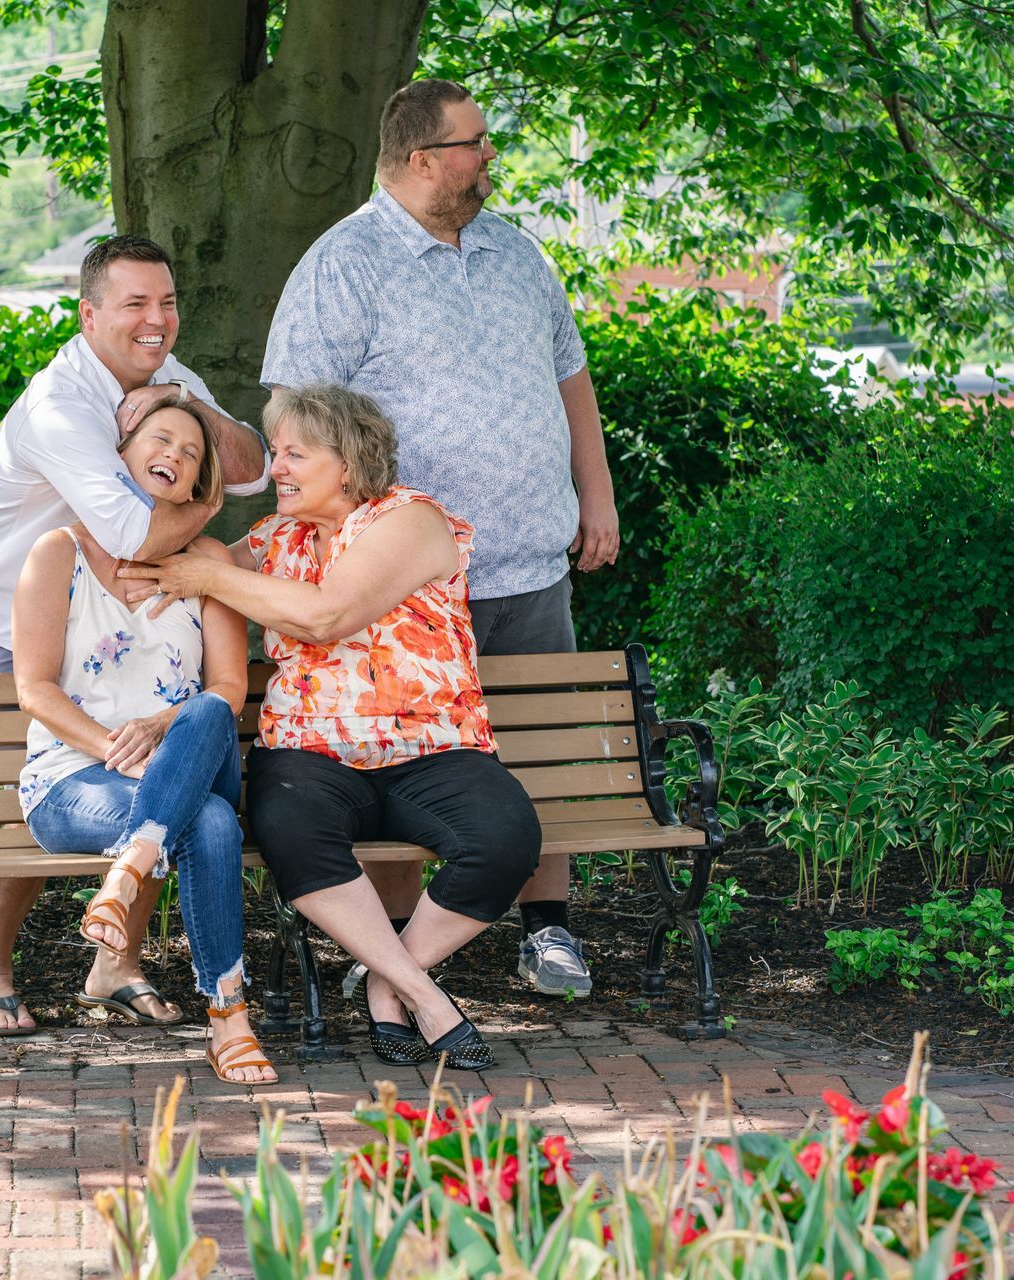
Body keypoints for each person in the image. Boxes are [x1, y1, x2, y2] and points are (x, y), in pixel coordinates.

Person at [258, 77, 617, 998]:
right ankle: (390, 953)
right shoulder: (343, 263)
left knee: (539, 753)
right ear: (423, 160)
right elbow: (294, 414)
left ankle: (549, 931)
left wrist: (597, 495)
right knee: (403, 755)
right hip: (401, 585)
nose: (490, 156)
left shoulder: (518, 255)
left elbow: (571, 381)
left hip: (528, 563)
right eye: (476, 143)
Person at [123, 384, 541, 1071]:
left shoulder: (409, 519)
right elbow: (172, 558)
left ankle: (388, 978)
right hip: (309, 753)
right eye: (276, 452)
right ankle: (421, 995)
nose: (276, 467)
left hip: (431, 747)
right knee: (289, 827)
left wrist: (208, 574)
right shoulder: (273, 541)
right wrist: (188, 516)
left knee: (504, 838)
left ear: (347, 463)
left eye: (295, 454)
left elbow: (326, 615)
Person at [0, 235, 267, 1037]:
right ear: (89, 315)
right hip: (13, 604)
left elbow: (251, 465)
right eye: (134, 305)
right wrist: (206, 496)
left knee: (161, 750)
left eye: (168, 302)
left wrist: (192, 419)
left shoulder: (168, 379)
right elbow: (128, 531)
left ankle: (113, 961)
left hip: (129, 607)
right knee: (31, 783)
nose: (157, 322)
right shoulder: (60, 405)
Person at [11, 398, 275, 1085]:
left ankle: (133, 863)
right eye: (163, 439)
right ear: (123, 455)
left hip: (189, 757)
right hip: (75, 777)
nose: (177, 455)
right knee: (210, 822)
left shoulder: (210, 562)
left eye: (193, 455)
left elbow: (227, 689)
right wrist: (113, 747)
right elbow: (35, 689)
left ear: (195, 492)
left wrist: (164, 726)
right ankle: (230, 1021)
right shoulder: (56, 553)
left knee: (208, 712)